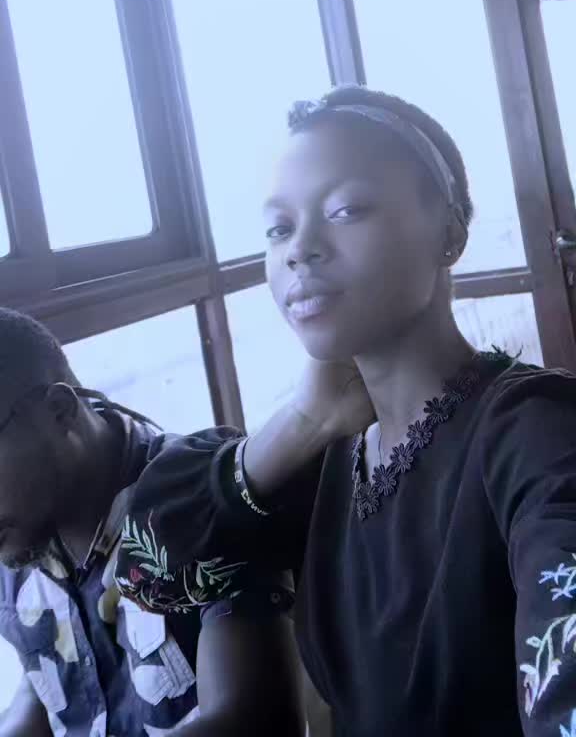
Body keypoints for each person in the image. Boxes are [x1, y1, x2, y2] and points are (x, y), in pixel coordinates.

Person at [115, 84, 576, 737]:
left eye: (346, 210)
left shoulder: (536, 433)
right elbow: (145, 571)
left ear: (449, 233)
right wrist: (302, 421)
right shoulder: (325, 465)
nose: (299, 249)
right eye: (279, 228)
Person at [0, 308, 304, 737]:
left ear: (59, 411)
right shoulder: (18, 535)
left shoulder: (200, 496)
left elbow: (254, 721)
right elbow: (49, 684)